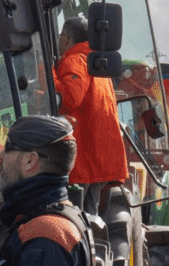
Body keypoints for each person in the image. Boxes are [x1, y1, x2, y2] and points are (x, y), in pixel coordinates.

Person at [0, 115, 91, 266]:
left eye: (8, 147)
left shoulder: (46, 234)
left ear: (30, 161)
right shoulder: (39, 220)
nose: (0, 156)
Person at [54, 15, 128, 214]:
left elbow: (69, 98)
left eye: (60, 36)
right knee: (91, 219)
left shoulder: (75, 60)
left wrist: (47, 74)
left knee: (73, 217)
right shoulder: (97, 63)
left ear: (66, 39)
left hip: (82, 160)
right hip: (98, 160)